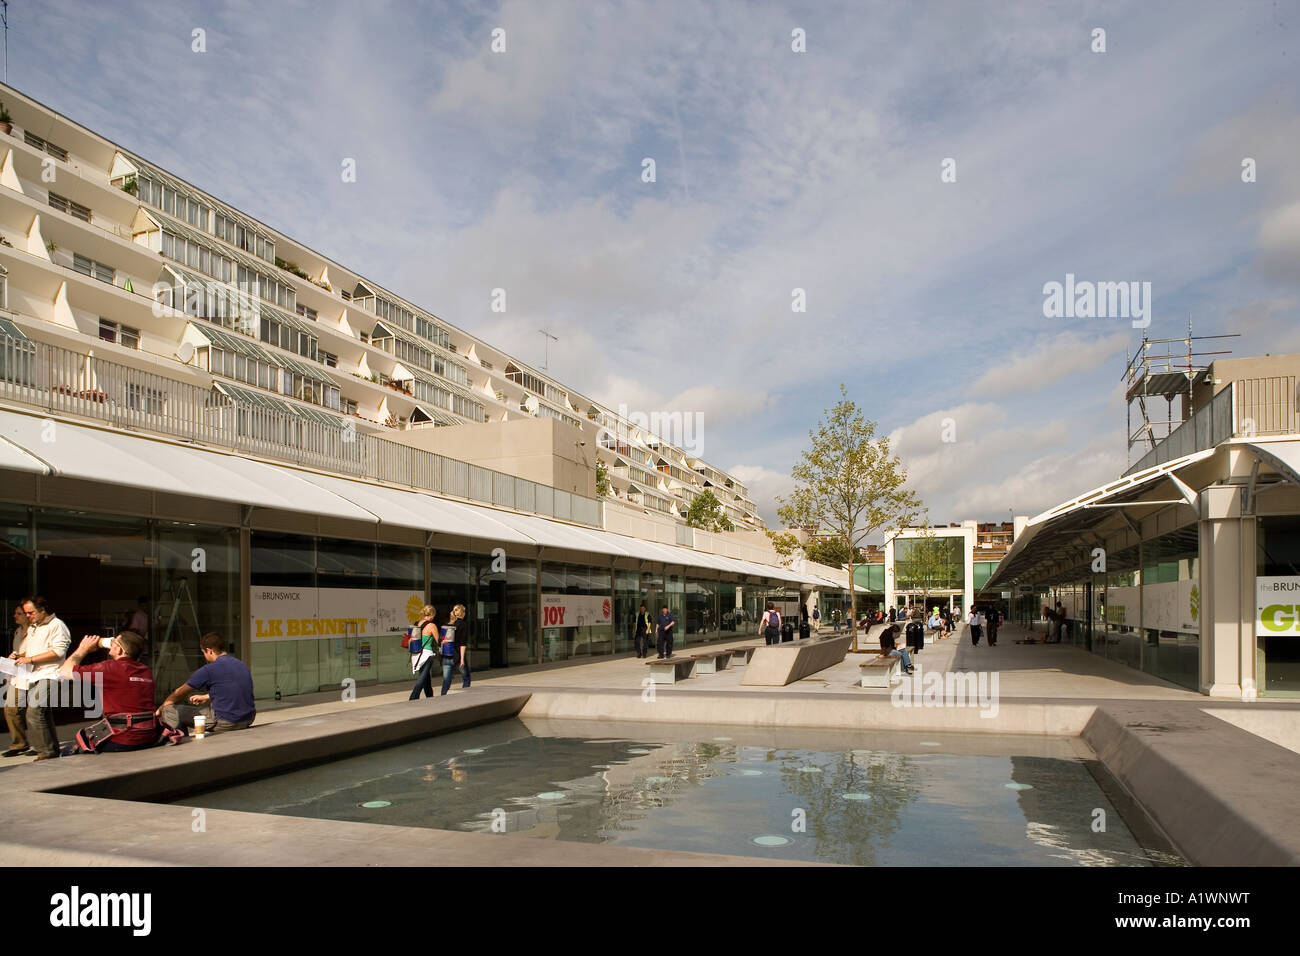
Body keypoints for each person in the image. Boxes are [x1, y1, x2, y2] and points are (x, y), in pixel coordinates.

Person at [57, 631, 159, 754]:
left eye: (114, 643)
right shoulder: (145, 670)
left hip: (124, 739)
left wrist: (82, 649)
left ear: (120, 650)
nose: (110, 644)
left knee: (68, 751)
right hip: (149, 736)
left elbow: (64, 671)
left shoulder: (109, 668)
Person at [157, 632, 255, 735]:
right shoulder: (241, 665)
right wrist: (206, 696)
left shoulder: (209, 669)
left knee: (170, 711)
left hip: (226, 722)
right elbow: (234, 688)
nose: (204, 656)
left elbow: (180, 692)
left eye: (204, 652)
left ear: (209, 651)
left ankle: (182, 742)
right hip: (248, 719)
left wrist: (161, 708)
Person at [11, 596, 71, 760]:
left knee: (34, 712)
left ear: (42, 610)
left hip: (51, 673)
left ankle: (45, 752)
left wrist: (29, 659)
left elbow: (57, 652)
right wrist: (17, 656)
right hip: (34, 675)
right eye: (26, 613)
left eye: (31, 612)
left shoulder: (57, 625)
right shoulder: (34, 627)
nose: (28, 616)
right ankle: (50, 749)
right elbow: (32, 651)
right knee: (43, 714)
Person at [3, 604, 31, 758]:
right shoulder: (18, 632)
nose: (15, 616)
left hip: (34, 673)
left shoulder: (35, 631)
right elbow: (17, 651)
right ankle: (19, 743)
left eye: (19, 613)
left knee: (34, 712)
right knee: (10, 708)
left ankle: (40, 744)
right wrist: (12, 658)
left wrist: (22, 656)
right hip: (19, 674)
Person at [408, 605, 438, 700]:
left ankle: (430, 696)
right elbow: (439, 640)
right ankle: (413, 697)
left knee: (426, 677)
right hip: (426, 654)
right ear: (432, 614)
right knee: (422, 677)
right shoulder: (432, 625)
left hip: (416, 653)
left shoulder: (416, 624)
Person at [440, 604, 468, 696]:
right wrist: (462, 659)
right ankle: (465, 696)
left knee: (446, 680)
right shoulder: (463, 624)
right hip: (457, 655)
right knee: (466, 677)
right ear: (462, 613)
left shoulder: (448, 624)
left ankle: (443, 696)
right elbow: (462, 643)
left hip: (446, 655)